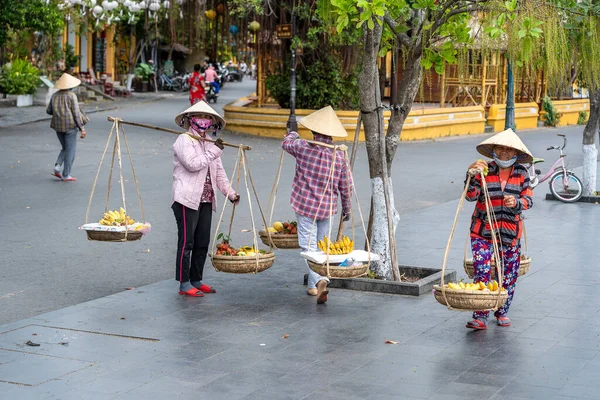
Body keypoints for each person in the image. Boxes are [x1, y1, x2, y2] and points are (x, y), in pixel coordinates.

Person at [282, 106, 352, 304]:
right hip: (327, 208)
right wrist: (346, 209)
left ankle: (320, 280)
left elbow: (286, 142)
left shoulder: (303, 147)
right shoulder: (339, 155)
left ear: (313, 131)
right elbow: (346, 186)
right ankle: (314, 284)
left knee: (309, 247)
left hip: (305, 205)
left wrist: (293, 132)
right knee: (323, 247)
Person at [465, 128, 534, 329]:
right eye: (500, 148)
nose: (504, 153)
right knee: (483, 271)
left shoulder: (521, 173)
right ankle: (480, 315)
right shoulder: (483, 169)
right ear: (493, 150)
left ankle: (502, 310)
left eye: (509, 150)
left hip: (510, 233)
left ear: (515, 154)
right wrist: (470, 175)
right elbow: (471, 196)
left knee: (508, 274)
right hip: (482, 231)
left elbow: (529, 200)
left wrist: (517, 202)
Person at [172, 101, 240, 297]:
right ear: (190, 119)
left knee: (202, 241)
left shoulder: (210, 142)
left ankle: (196, 279)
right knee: (187, 242)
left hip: (206, 199)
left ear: (212, 122)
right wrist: (213, 151)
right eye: (199, 116)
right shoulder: (184, 140)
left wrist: (231, 193)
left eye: (208, 117)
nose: (204, 121)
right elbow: (193, 164)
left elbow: (219, 173)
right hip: (186, 198)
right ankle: (184, 283)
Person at [46, 73, 87, 182]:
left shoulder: (54, 95)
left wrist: (58, 111)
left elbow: (49, 111)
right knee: (71, 151)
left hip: (57, 127)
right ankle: (66, 175)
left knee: (65, 148)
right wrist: (82, 129)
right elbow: (76, 114)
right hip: (70, 127)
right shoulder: (71, 96)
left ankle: (57, 167)